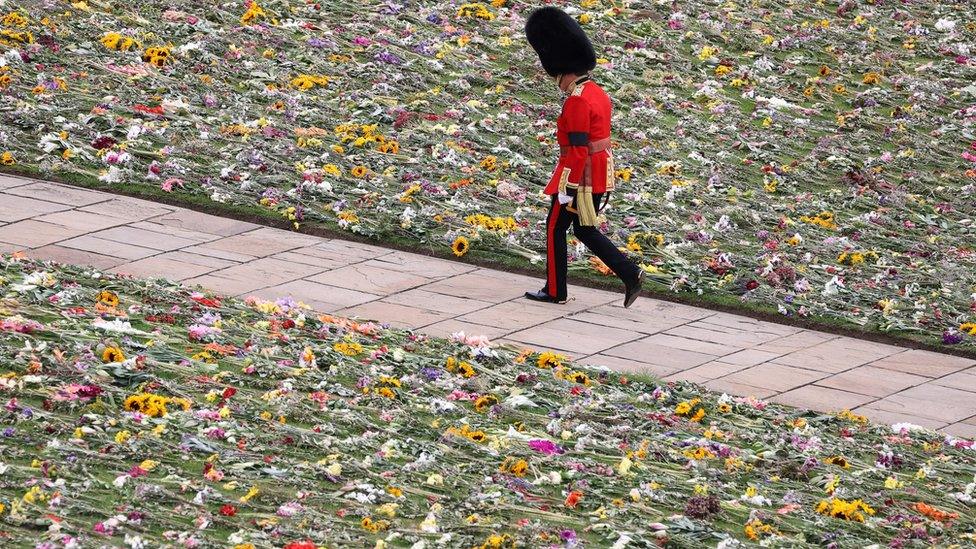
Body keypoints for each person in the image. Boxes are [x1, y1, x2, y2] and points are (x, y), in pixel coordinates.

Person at [523, 7, 644, 308]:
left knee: (554, 227)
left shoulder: (576, 101)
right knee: (584, 229)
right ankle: (630, 273)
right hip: (599, 173)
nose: (557, 81)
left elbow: (577, 150)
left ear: (565, 71)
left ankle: (555, 290)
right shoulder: (598, 93)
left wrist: (567, 189)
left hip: (579, 177)